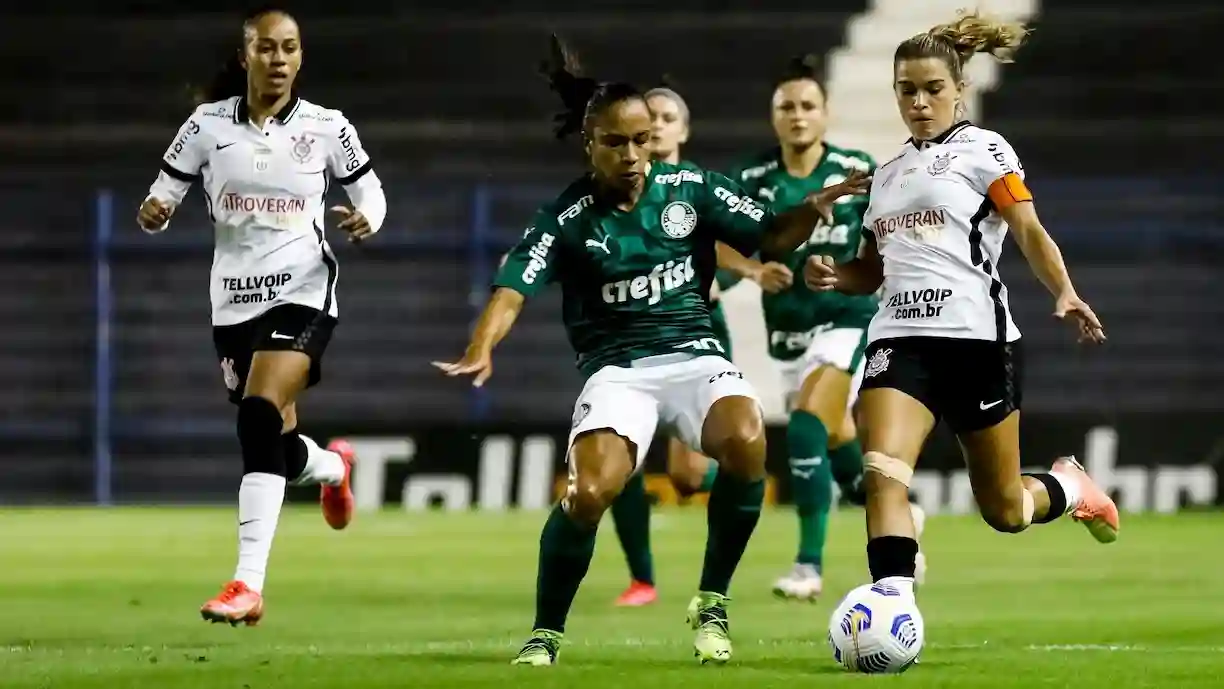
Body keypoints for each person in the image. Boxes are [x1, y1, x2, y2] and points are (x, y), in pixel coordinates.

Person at [434, 35, 867, 666]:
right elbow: (512, 287)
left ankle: (711, 602)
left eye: (642, 140)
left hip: (694, 354)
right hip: (618, 372)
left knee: (748, 443)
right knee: (588, 493)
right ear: (590, 145)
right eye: (617, 143)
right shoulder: (567, 217)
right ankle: (546, 632)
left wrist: (812, 208)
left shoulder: (692, 187)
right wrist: (481, 345)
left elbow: (771, 237)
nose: (634, 154)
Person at [804, 11, 1118, 604]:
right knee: (882, 471)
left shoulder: (986, 151)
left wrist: (1065, 290)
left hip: (977, 339)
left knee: (1005, 510)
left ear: (959, 90)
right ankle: (891, 607)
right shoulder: (885, 174)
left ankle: (1070, 487)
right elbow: (871, 270)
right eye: (907, 90)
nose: (919, 102)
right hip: (898, 338)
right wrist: (834, 275)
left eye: (932, 89)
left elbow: (1026, 228)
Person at [136, 7, 386, 626]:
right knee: (271, 440)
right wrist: (155, 210)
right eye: (266, 48)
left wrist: (367, 220)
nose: (277, 59)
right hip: (233, 301)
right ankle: (331, 466)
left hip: (304, 288)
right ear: (246, 54)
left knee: (256, 413)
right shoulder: (206, 126)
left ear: (300, 59)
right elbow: (165, 189)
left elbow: (371, 193)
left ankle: (247, 584)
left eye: (289, 48)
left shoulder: (327, 128)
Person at [729, 54, 927, 601]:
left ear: (825, 113)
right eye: (786, 106)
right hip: (788, 330)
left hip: (847, 318)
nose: (797, 115)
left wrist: (853, 276)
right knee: (837, 435)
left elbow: (885, 236)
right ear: (773, 116)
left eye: (807, 106)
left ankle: (807, 565)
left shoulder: (855, 169)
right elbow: (715, 241)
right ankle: (901, 516)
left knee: (805, 425)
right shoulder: (749, 180)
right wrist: (748, 268)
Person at [608, 84, 794, 608]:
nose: (661, 125)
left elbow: (724, 244)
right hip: (630, 342)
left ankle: (748, 474)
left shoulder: (701, 191)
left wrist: (750, 270)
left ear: (683, 131)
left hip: (696, 340)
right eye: (653, 117)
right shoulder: (616, 190)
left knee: (689, 477)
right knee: (623, 455)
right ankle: (641, 578)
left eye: (670, 117)